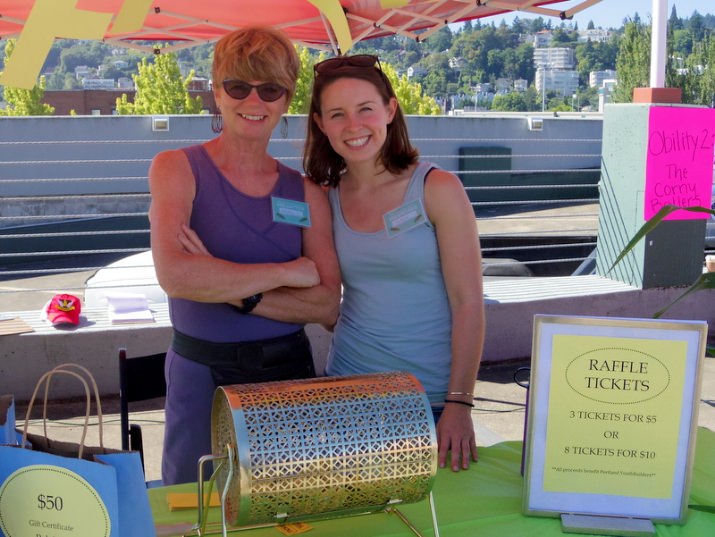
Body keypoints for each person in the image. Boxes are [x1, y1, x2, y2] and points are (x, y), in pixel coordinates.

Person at [148, 26, 341, 485]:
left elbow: (325, 305)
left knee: (288, 506)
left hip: (287, 374)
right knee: (195, 507)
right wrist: (287, 272)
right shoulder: (176, 168)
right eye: (238, 87)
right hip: (201, 374)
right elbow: (175, 275)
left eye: (270, 89)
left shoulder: (307, 192)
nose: (254, 102)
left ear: (287, 99)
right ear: (216, 91)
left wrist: (233, 290)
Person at [303, 54, 485, 472]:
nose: (353, 125)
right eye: (337, 114)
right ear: (320, 124)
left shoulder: (437, 188)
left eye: (365, 109)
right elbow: (328, 302)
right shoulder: (324, 197)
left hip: (433, 400)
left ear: (389, 109)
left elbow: (468, 304)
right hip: (346, 392)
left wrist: (460, 402)